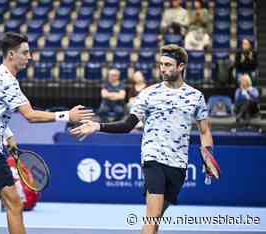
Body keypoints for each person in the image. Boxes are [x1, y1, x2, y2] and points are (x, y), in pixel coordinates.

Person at [0, 32, 93, 234]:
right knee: (15, 205)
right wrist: (67, 116)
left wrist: (8, 135)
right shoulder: (7, 81)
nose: (29, 57)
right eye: (25, 53)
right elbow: (30, 115)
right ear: (11, 54)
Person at [71, 44, 214, 234]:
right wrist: (97, 126)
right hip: (153, 158)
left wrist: (208, 157)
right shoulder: (148, 94)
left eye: (168, 65)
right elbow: (127, 125)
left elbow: (204, 132)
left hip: (179, 163)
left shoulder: (196, 97)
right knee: (151, 218)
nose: (163, 69)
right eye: (161, 64)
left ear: (181, 66)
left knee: (154, 221)